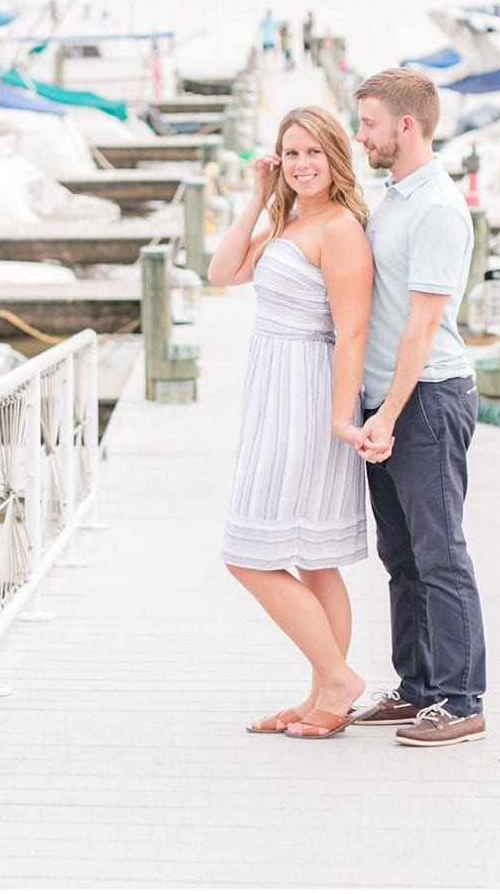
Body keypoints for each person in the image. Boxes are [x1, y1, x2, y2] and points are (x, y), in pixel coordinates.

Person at [210, 106, 375, 740]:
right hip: (272, 393)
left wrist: (340, 417)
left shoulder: (340, 230)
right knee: (314, 559)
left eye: (314, 153)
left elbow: (352, 329)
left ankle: (338, 679)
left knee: (249, 553)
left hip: (308, 398)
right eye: (292, 153)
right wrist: (258, 196)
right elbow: (222, 272)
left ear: (337, 156)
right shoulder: (294, 218)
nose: (303, 165)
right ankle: (322, 696)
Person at [348, 67, 488, 748]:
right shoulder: (393, 197)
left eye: (369, 123)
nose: (360, 135)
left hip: (427, 400)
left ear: (406, 126)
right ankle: (418, 688)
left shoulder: (435, 207)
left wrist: (389, 413)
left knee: (440, 555)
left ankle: (462, 701)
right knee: (401, 555)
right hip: (389, 402)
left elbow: (422, 326)